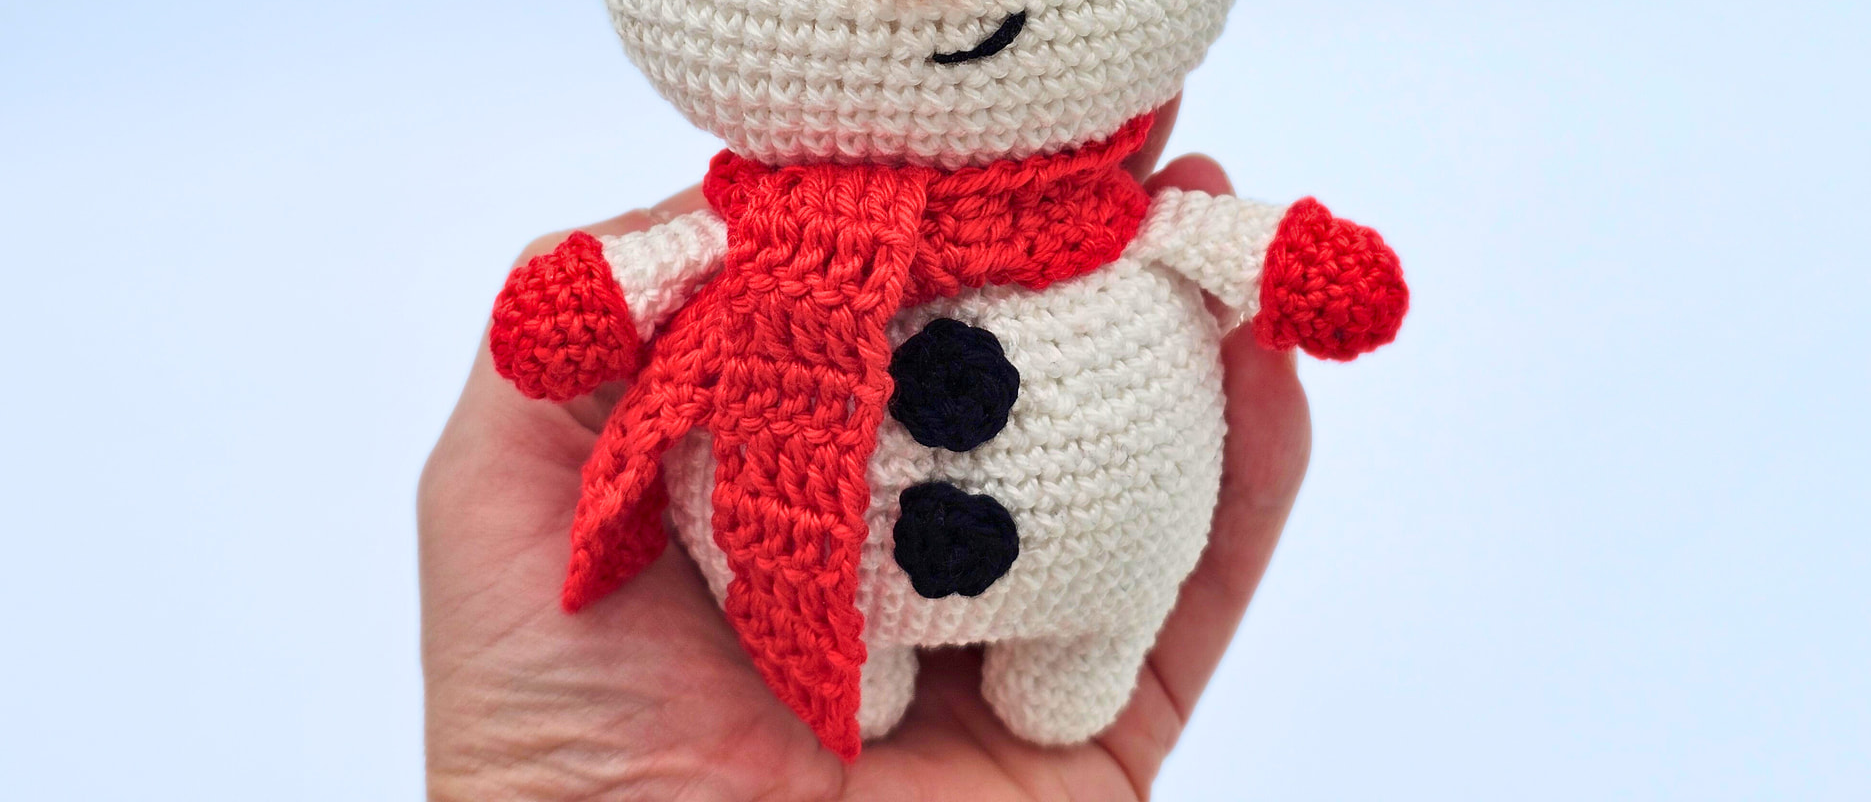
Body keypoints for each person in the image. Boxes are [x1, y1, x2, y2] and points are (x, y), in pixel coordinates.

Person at [419, 123, 1312, 801]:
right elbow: (626, 286)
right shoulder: (767, 235)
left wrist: (1304, 266)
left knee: (1075, 669)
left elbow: (1248, 249)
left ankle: (1083, 648)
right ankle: (853, 662)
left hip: (1114, 560)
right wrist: (590, 303)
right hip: (819, 597)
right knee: (871, 674)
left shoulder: (1120, 229)